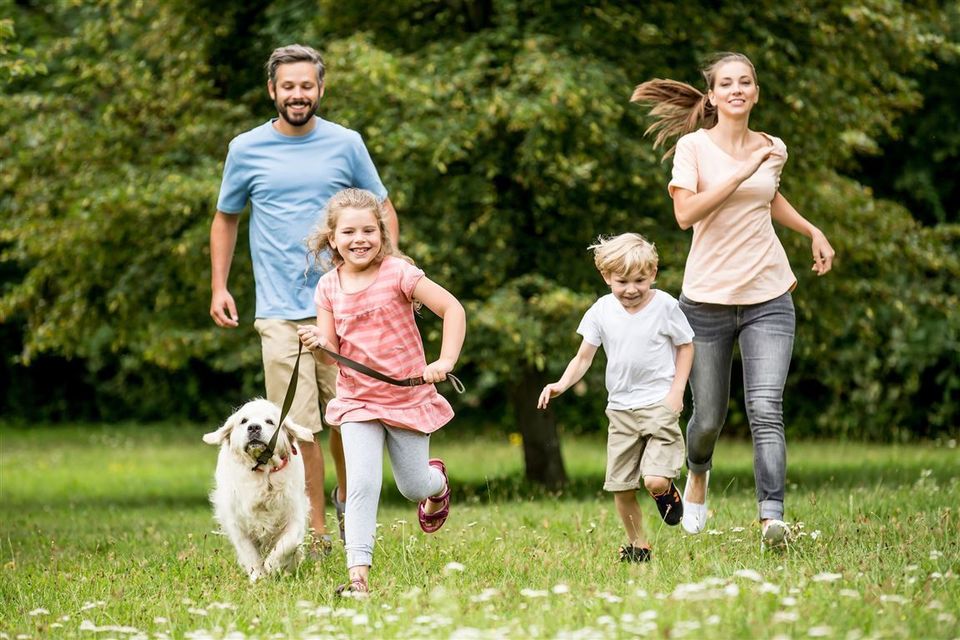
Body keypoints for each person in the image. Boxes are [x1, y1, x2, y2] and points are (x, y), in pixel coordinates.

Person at [631, 52, 836, 548]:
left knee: (766, 407)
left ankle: (772, 518)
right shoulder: (693, 148)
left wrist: (811, 229)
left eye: (746, 81)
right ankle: (697, 474)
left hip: (769, 293)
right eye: (727, 83)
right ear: (714, 95)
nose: (738, 89)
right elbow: (686, 214)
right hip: (705, 301)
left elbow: (769, 197)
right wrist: (740, 172)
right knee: (706, 419)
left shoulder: (773, 149)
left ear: (756, 93)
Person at [210, 44, 400, 548]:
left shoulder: (346, 143)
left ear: (320, 88)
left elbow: (382, 208)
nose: (298, 94)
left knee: (351, 418)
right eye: (288, 86)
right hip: (279, 313)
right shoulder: (245, 148)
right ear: (273, 90)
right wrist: (219, 285)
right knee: (298, 427)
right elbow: (225, 218)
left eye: (307, 85)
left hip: (348, 307)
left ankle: (347, 509)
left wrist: (393, 272)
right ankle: (313, 530)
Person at [297, 188, 466, 594]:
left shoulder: (399, 273)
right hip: (357, 400)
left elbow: (453, 309)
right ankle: (358, 578)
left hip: (407, 397)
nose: (360, 239)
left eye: (369, 230)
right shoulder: (328, 288)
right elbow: (331, 358)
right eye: (350, 231)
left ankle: (437, 485)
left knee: (412, 486)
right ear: (333, 238)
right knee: (362, 484)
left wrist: (444, 362)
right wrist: (319, 346)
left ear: (382, 233)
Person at [537, 233, 694, 563]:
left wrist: (677, 391)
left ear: (653, 274)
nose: (632, 289)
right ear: (607, 277)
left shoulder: (665, 306)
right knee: (621, 487)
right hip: (620, 411)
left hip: (659, 405)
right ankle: (639, 546)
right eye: (622, 281)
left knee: (652, 479)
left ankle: (664, 491)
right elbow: (583, 358)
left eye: (640, 280)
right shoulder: (601, 311)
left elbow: (686, 345)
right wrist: (560, 384)